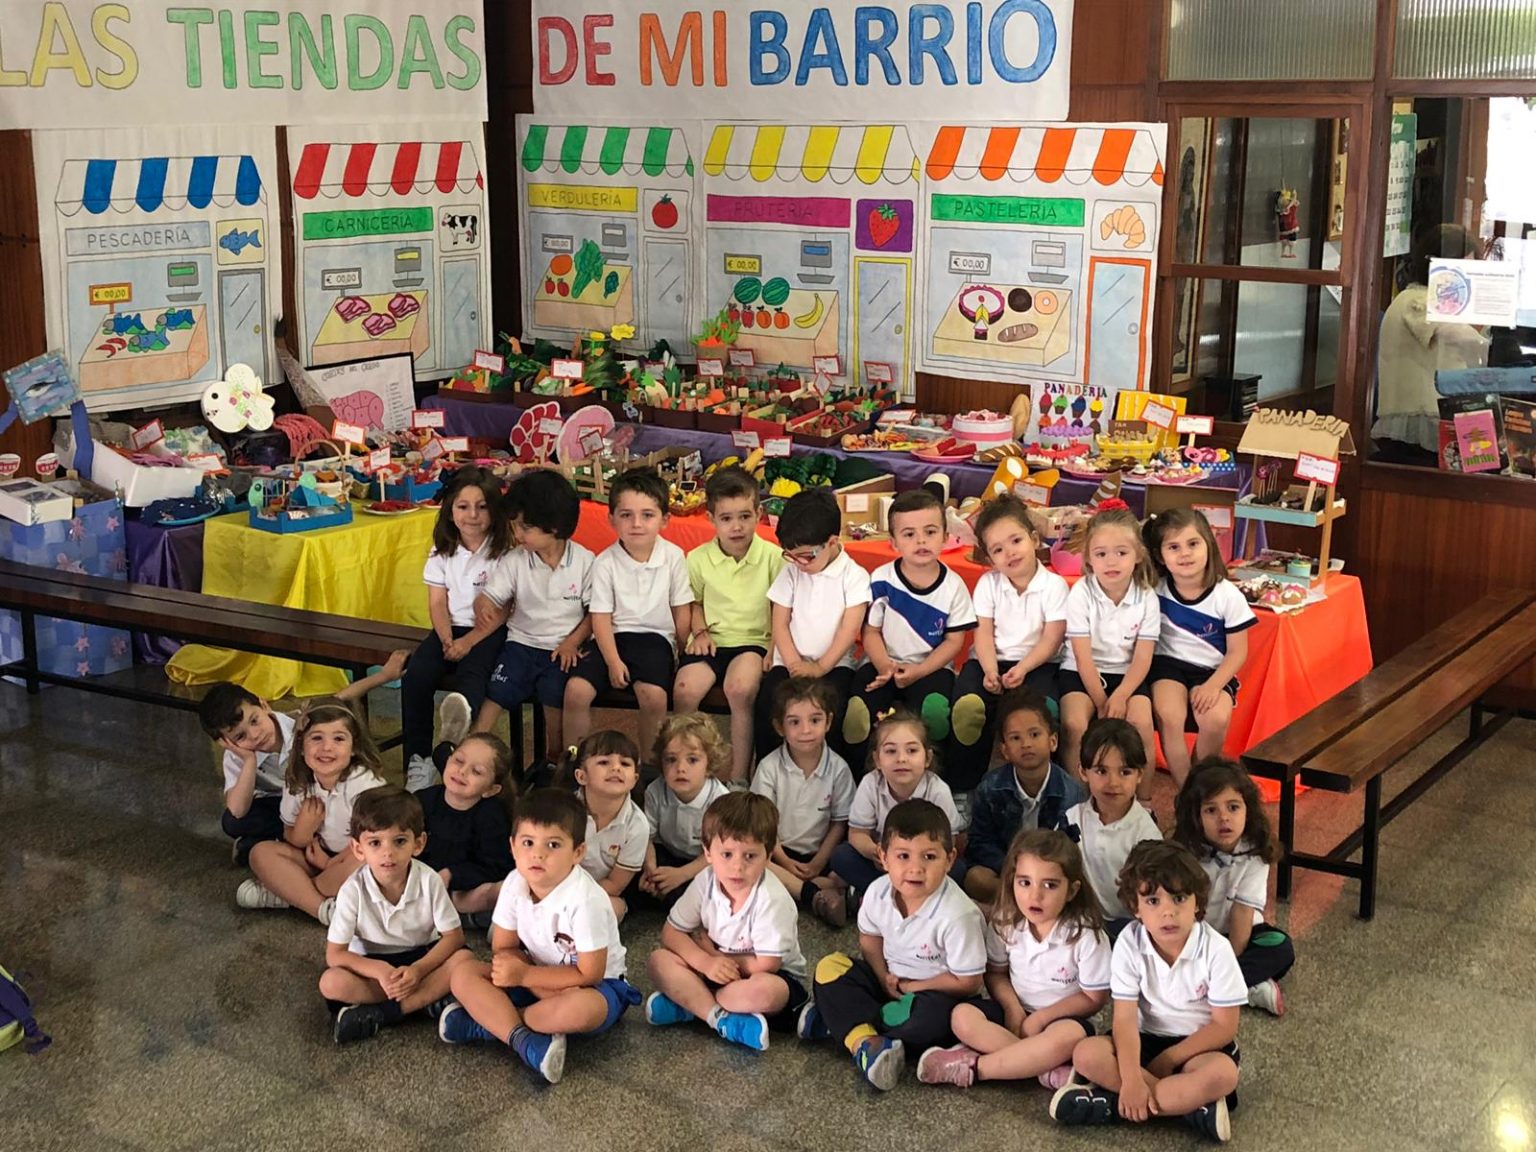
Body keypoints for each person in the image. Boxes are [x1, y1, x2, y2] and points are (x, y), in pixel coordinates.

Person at [438, 789, 642, 1084]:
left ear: (578, 852)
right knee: (463, 973)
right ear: (512, 846)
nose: (538, 854)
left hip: (595, 987)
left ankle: (489, 1024)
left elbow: (590, 973)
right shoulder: (515, 882)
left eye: (553, 844)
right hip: (534, 976)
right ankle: (524, 1040)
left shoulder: (586, 899)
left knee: (580, 1009)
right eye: (528, 842)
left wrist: (524, 977)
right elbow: (503, 948)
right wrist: (522, 975)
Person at [1049, 840, 1244, 1143]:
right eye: (1153, 901)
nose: (1168, 912)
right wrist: (1131, 1078)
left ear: (1197, 903)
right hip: (1142, 1040)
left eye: (1179, 898)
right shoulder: (1129, 942)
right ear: (1135, 908)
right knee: (1086, 1054)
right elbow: (1124, 1020)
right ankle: (1188, 1110)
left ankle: (1112, 1105)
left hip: (1197, 1048)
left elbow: (1224, 1026)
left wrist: (1169, 1058)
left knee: (1223, 1074)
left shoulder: (1216, 949)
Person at [800, 799, 987, 1091]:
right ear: (883, 857)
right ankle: (866, 1040)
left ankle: (843, 1026)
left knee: (931, 1019)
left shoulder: (959, 914)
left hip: (934, 993)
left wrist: (914, 987)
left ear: (950, 860)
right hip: (890, 984)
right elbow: (870, 939)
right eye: (903, 856)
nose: (915, 869)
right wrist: (882, 976)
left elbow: (968, 982)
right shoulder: (877, 892)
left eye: (929, 857)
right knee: (829, 968)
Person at [918, 828, 1110, 1090]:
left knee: (1069, 1036)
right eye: (1025, 882)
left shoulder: (1086, 935)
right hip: (1017, 1012)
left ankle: (976, 1068)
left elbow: (1093, 999)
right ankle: (1044, 1068)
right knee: (962, 1016)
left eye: (1050, 885)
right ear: (1012, 881)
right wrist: (1012, 1008)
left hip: (1062, 1020)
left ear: (1071, 890)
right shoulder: (1005, 921)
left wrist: (1041, 1019)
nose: (1035, 895)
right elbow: (996, 973)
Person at [199, 654, 406, 866]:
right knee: (233, 822)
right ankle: (290, 841)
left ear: (263, 705)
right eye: (240, 736)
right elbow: (237, 810)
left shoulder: (299, 723)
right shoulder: (238, 756)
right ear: (226, 742)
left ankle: (281, 844)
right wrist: (249, 761)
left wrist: (384, 676)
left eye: (254, 720)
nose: (254, 735)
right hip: (283, 807)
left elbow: (338, 699)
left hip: (318, 795)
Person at [644, 792, 809, 1051]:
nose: (737, 867)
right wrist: (706, 962)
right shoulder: (706, 880)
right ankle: (718, 1018)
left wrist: (713, 955)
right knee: (659, 960)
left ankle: (691, 1004)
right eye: (727, 854)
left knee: (763, 992)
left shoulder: (772, 899)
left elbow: (767, 964)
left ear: (768, 856)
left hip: (767, 975)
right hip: (715, 967)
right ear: (708, 852)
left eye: (750, 856)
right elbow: (671, 932)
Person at [319, 786, 474, 1044]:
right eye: (375, 843)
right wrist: (379, 971)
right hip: (372, 963)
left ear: (418, 843)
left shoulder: (430, 880)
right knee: (331, 982)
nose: (387, 853)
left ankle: (385, 1013)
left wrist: (418, 970)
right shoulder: (352, 890)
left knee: (465, 960)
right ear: (358, 849)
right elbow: (335, 955)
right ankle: (425, 1001)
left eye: (399, 841)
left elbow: (454, 938)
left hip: (421, 956)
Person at [564, 468, 692, 759]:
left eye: (647, 515)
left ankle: (650, 766)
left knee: (653, 697)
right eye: (626, 515)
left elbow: (680, 607)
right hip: (612, 638)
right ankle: (573, 762)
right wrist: (612, 661)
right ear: (611, 519)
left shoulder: (673, 556)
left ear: (665, 520)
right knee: (575, 692)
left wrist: (682, 650)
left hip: (655, 639)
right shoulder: (604, 562)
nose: (636, 524)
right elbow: (600, 618)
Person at [472, 469, 594, 777]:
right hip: (520, 645)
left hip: (560, 652)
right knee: (494, 696)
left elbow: (594, 615)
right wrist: (483, 605)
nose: (517, 534)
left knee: (554, 703)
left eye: (525, 527)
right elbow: (490, 596)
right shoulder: (515, 560)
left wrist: (571, 643)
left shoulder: (585, 561)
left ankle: (555, 762)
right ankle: (470, 750)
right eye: (514, 525)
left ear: (555, 526)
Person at [843, 489, 976, 765]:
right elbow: (870, 632)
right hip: (882, 663)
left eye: (930, 532)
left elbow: (954, 641)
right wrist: (884, 665)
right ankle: (857, 777)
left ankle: (934, 775)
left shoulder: (954, 587)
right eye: (909, 534)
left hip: (931, 667)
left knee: (936, 714)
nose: (921, 541)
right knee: (858, 714)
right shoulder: (882, 579)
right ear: (893, 542)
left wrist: (920, 671)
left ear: (946, 536)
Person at [400, 468, 513, 789]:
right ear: (450, 511)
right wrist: (447, 638)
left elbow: (503, 610)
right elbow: (437, 602)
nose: (472, 515)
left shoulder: (504, 553)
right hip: (449, 630)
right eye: (463, 506)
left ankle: (452, 745)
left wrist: (470, 641)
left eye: (482, 507)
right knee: (416, 676)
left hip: (488, 632)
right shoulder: (441, 552)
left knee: (473, 677)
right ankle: (419, 760)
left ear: (495, 511)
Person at [946, 496, 1067, 790]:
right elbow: (983, 633)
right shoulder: (989, 584)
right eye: (998, 549)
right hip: (989, 660)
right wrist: (989, 670)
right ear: (990, 559)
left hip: (1037, 663)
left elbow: (1052, 639)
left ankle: (1046, 785)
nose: (1009, 553)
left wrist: (1023, 668)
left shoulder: (1054, 586)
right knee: (967, 707)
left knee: (1047, 710)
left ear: (1034, 539)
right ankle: (964, 787)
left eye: (1016, 541)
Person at [674, 466, 784, 784]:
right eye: (726, 518)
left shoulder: (773, 558)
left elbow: (780, 610)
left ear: (758, 514)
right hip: (711, 640)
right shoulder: (697, 558)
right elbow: (694, 602)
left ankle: (738, 778)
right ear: (711, 519)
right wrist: (700, 632)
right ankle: (686, 773)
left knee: (740, 689)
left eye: (745, 516)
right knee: (685, 689)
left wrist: (772, 651)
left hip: (752, 642)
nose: (736, 527)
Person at [239, 700, 388, 924]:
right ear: (300, 746)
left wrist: (328, 865)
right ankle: (324, 909)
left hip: (354, 859)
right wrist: (303, 830)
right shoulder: (298, 782)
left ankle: (292, 894)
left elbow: (377, 842)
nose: (326, 747)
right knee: (260, 853)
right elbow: (291, 836)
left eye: (339, 739)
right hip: (317, 857)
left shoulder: (364, 784)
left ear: (354, 747)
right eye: (317, 738)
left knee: (364, 865)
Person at [754, 488, 872, 764]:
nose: (798, 563)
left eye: (806, 556)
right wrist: (794, 664)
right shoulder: (791, 572)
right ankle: (766, 774)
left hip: (834, 664)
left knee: (834, 714)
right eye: (790, 555)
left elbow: (849, 631)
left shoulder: (854, 576)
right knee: (768, 706)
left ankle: (835, 778)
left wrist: (819, 668)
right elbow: (780, 623)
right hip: (790, 662)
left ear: (832, 542)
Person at [1143, 509, 1255, 787]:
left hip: (1212, 670)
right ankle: (1187, 790)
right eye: (1173, 547)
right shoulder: (1155, 590)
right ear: (1160, 556)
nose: (1185, 554)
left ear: (1209, 544)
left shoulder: (1228, 595)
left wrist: (1214, 685)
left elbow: (1238, 652)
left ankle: (1201, 783)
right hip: (1167, 665)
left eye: (1193, 543)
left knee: (1215, 718)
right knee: (1170, 715)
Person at [1173, 759, 1293, 1017]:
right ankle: (1245, 988)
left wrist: (1232, 963)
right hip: (1198, 935)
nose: (1224, 818)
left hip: (1241, 936)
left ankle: (1214, 989)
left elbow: (1242, 913)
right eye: (1211, 810)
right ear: (1196, 816)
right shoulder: (1186, 853)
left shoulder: (1256, 852)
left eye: (1233, 807)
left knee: (1281, 947)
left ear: (1248, 809)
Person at [1059, 504, 1160, 784]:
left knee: (1142, 723)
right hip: (1081, 673)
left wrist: (1121, 696)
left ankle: (1144, 800)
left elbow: (1143, 658)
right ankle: (1077, 797)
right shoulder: (1081, 593)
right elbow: (1082, 658)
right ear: (1089, 559)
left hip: (1127, 674)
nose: (1111, 562)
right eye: (1101, 554)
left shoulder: (1146, 597)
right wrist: (1102, 703)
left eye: (1121, 553)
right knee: (1074, 724)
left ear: (1138, 555)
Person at [1373, 224, 1486, 466]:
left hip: (1438, 421)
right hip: (1417, 428)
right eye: (1459, 269)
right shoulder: (1416, 301)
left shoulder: (1430, 300)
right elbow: (1462, 338)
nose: (1465, 278)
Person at [751, 676, 857, 926]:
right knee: (753, 860)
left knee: (847, 861)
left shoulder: (839, 769)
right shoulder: (769, 768)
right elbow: (762, 825)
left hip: (820, 855)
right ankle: (812, 893)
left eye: (815, 720)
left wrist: (818, 861)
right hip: (777, 853)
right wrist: (785, 862)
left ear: (828, 722)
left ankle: (804, 887)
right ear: (780, 728)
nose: (806, 730)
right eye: (794, 722)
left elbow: (839, 823)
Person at [962, 689, 1085, 904]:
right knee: (976, 878)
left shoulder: (1071, 792)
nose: (1026, 744)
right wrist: (1014, 868)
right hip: (1007, 870)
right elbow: (980, 842)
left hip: (1049, 874)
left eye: (1034, 734)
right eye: (1015, 738)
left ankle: (1028, 903)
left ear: (1053, 741)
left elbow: (1071, 847)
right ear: (1005, 750)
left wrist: (1039, 871)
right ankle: (1020, 902)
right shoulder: (990, 787)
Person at [832, 707, 966, 895]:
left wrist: (918, 860)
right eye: (891, 751)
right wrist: (878, 853)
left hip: (922, 866)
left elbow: (950, 840)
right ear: (877, 759)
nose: (901, 759)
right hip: (883, 863)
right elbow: (857, 834)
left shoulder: (937, 790)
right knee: (842, 856)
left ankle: (889, 894)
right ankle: (883, 894)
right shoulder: (871, 784)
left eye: (912, 750)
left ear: (927, 758)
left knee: (957, 869)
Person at [1063, 719, 1162, 938]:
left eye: (1125, 772)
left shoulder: (1147, 835)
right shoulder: (1070, 819)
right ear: (1083, 772)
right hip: (1079, 922)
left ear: (1140, 775)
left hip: (1130, 929)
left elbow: (1153, 898)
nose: (1113, 783)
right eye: (1101, 771)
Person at [417, 733, 515, 920]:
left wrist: (452, 875)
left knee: (494, 892)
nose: (462, 771)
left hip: (465, 890)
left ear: (491, 790)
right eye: (459, 760)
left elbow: (495, 867)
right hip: (422, 882)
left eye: (476, 771)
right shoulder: (423, 800)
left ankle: (473, 918)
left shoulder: (492, 818)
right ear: (448, 760)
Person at [640, 713, 732, 905]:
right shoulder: (655, 791)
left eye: (692, 760)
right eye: (671, 760)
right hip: (668, 852)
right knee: (634, 876)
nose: (680, 768)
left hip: (706, 859)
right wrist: (651, 869)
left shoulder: (720, 799)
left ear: (709, 765)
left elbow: (719, 851)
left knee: (720, 885)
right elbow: (647, 837)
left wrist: (682, 874)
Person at [570, 729, 648, 922]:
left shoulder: (637, 825)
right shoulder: (563, 811)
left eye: (625, 763)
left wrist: (575, 900)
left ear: (634, 779)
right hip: (557, 884)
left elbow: (615, 884)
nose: (616, 768)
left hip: (601, 892)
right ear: (581, 776)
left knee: (613, 909)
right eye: (604, 762)